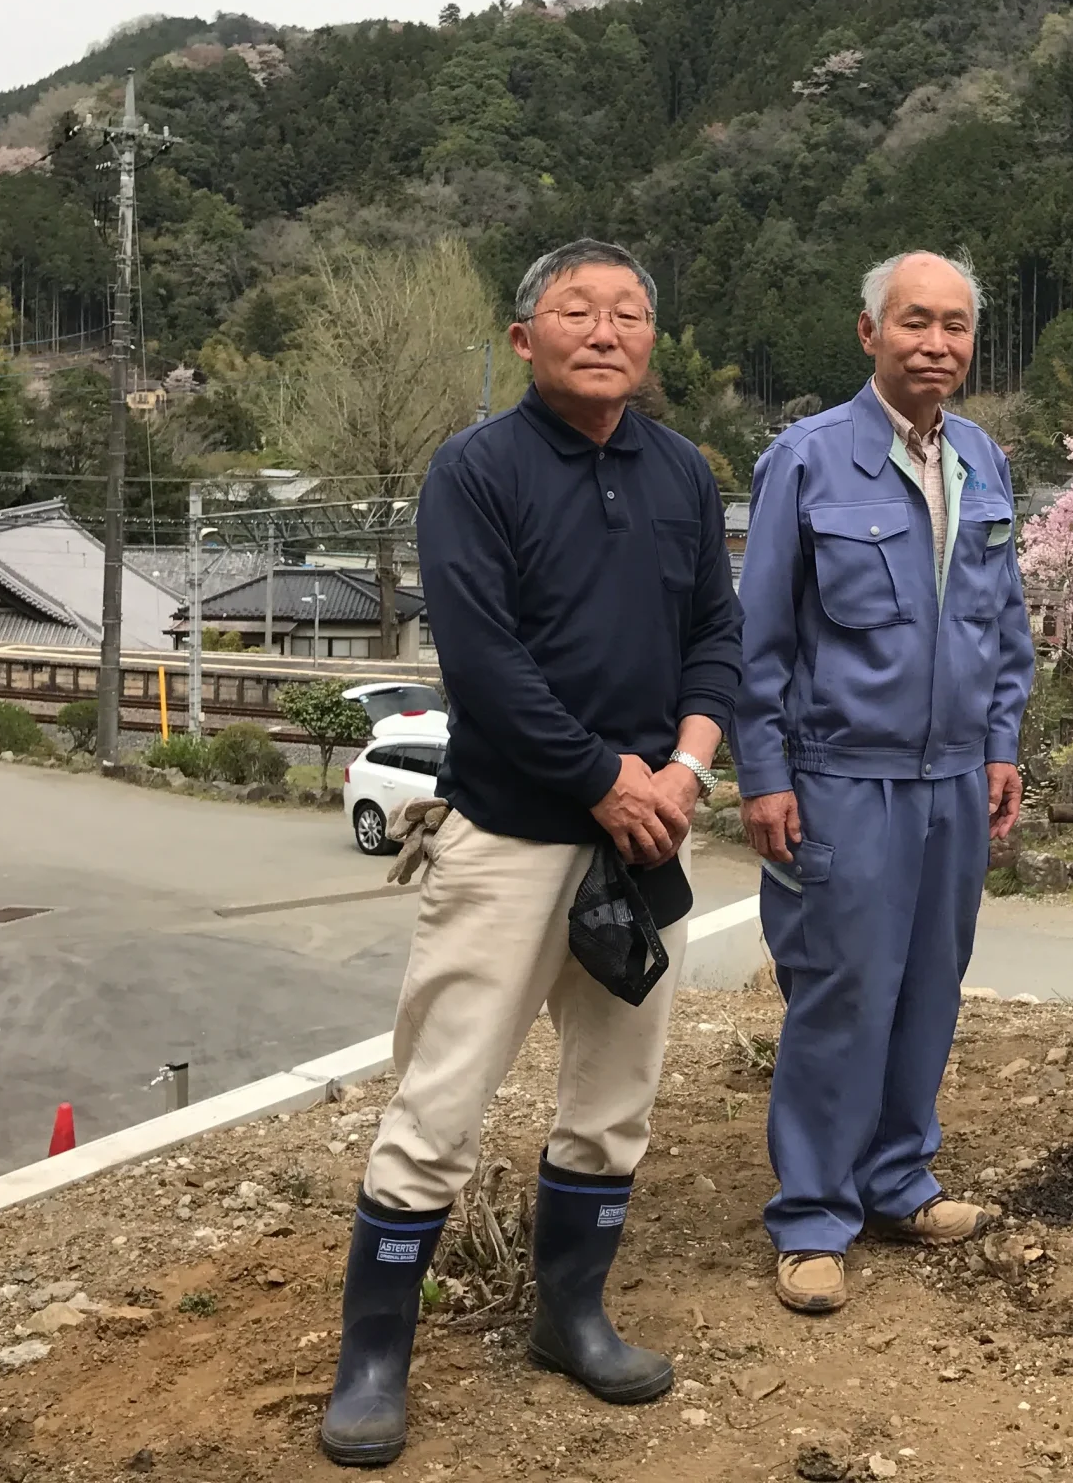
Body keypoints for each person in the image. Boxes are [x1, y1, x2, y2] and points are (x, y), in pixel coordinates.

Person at [319, 239, 741, 1466]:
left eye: (628, 313)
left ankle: (572, 1316)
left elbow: (716, 639)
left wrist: (682, 772)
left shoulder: (680, 471)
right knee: (439, 1101)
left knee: (613, 1102)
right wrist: (604, 778)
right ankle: (372, 1362)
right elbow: (484, 664)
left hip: (644, 841)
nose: (605, 331)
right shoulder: (476, 470)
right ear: (523, 339)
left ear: (651, 340)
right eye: (576, 310)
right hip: (508, 837)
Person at [734, 251, 1035, 1316]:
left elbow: (1003, 625)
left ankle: (899, 1179)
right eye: (915, 322)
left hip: (954, 778)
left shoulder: (982, 461)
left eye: (955, 326)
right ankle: (814, 1215)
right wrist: (763, 773)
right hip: (840, 777)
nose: (936, 344)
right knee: (841, 990)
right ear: (870, 333)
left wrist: (1001, 745)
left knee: (928, 986)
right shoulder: (807, 459)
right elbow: (759, 639)